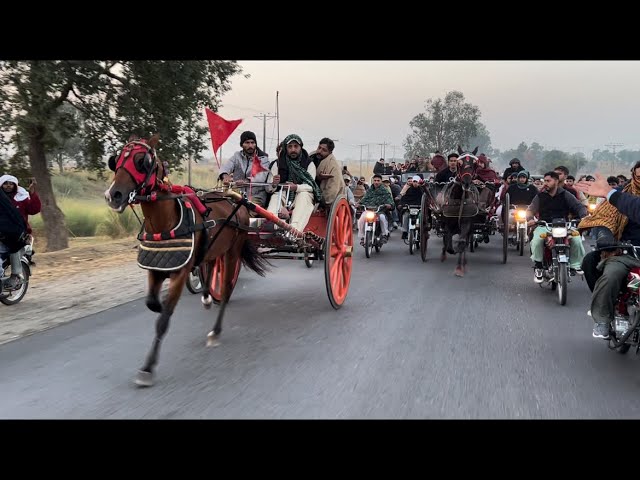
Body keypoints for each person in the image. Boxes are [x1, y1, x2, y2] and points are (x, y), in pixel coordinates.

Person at [574, 167, 640, 338]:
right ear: (633, 175)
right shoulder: (620, 194)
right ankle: (603, 319)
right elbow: (603, 219)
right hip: (627, 252)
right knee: (611, 274)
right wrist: (605, 235)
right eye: (639, 176)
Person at [526, 171, 587, 283]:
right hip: (544, 225)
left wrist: (584, 216)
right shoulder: (540, 196)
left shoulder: (566, 195)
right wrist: (530, 219)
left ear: (556, 181)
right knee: (537, 240)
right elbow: (530, 210)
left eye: (548, 181)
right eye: (545, 181)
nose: (546, 183)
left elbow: (579, 207)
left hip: (565, 225)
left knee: (577, 240)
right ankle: (538, 267)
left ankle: (575, 265)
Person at [265, 134, 322, 233]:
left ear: (300, 147)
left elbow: (311, 186)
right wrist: (274, 183)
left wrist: (296, 187)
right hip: (282, 193)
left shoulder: (309, 163)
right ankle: (273, 228)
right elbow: (268, 188)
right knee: (275, 197)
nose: (293, 149)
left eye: (296, 146)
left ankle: (294, 231)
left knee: (304, 196)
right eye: (290, 147)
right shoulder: (278, 163)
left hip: (302, 194)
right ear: (286, 148)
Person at [0, 175, 41, 288]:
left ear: (15, 185)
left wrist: (32, 192)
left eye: (11, 183)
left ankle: (15, 275)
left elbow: (34, 209)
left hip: (19, 234)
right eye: (5, 183)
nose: (8, 185)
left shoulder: (21, 198)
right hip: (1, 234)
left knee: (15, 249)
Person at [218, 131, 270, 207]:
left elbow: (261, 177)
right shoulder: (237, 156)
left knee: (242, 210)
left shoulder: (263, 159)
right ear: (241, 144)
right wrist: (225, 176)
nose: (250, 145)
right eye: (247, 143)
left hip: (256, 197)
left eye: (253, 143)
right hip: (237, 194)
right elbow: (226, 167)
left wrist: (247, 181)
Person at [356, 174, 394, 246]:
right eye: (375, 180)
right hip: (369, 210)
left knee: (382, 218)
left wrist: (389, 205)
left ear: (381, 181)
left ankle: (384, 234)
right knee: (361, 219)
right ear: (373, 181)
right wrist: (359, 204)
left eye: (378, 181)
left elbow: (390, 201)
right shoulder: (369, 190)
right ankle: (362, 236)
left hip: (379, 211)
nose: (376, 182)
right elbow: (364, 199)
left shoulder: (385, 191)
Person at [309, 137, 344, 206]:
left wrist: (323, 202)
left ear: (330, 152)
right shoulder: (311, 157)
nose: (320, 151)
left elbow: (333, 189)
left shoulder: (333, 166)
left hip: (323, 196)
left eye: (324, 150)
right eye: (319, 148)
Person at [398, 175, 424, 240]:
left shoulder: (422, 190)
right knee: (405, 216)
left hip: (419, 208)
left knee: (421, 217)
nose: (415, 183)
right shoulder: (408, 189)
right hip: (409, 208)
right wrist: (402, 204)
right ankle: (405, 231)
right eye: (414, 181)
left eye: (416, 182)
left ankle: (420, 231)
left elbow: (424, 199)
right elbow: (404, 198)